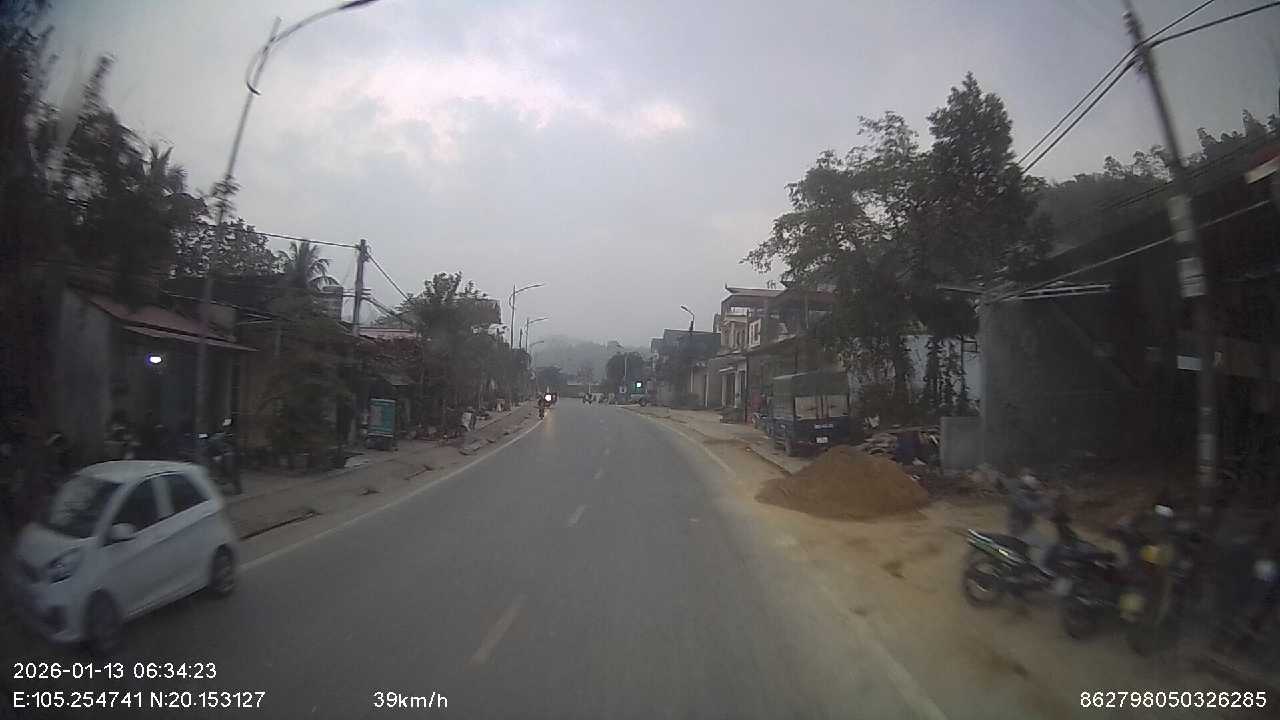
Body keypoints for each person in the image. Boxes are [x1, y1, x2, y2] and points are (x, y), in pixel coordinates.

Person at [1004, 469, 1058, 574]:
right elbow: (1031, 507)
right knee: (1047, 545)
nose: (1037, 489)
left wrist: (1050, 506)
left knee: (1025, 552)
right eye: (1035, 487)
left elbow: (1042, 508)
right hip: (1020, 530)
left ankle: (1026, 568)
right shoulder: (1020, 496)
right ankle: (1041, 569)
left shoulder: (1025, 494)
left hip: (1022, 528)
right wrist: (1046, 499)